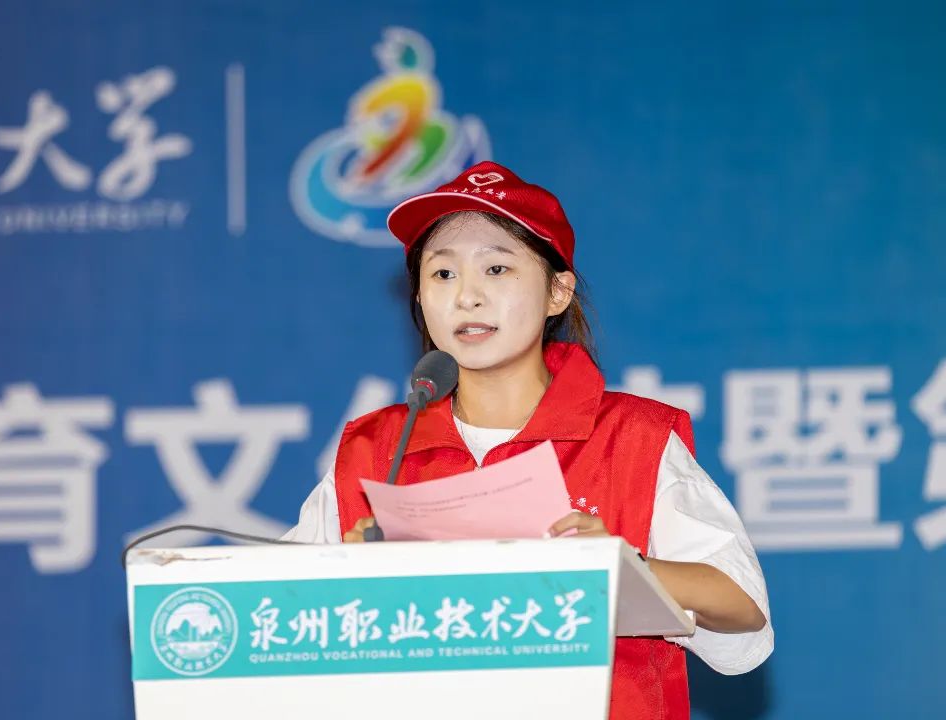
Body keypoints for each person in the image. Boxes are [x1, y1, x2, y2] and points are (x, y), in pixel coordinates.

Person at [283, 160, 772, 719]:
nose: (467, 296)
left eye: (496, 269)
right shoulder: (374, 452)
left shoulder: (632, 438)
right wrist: (342, 580)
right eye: (442, 274)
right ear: (417, 296)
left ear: (557, 292)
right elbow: (281, 618)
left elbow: (744, 610)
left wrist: (619, 565)